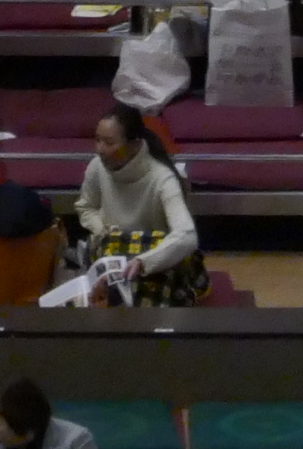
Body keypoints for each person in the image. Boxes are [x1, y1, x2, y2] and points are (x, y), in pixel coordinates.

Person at [71, 103, 204, 307]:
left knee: (147, 298)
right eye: (97, 140)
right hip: (112, 249)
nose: (100, 150)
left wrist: (143, 262)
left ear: (134, 145)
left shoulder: (162, 178)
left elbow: (186, 235)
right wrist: (101, 229)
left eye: (109, 143)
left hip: (152, 257)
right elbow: (86, 207)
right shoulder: (97, 167)